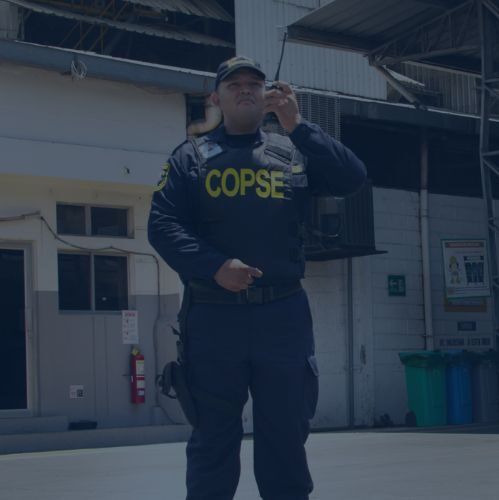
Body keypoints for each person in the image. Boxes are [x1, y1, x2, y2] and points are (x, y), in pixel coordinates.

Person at [148, 55, 367, 500]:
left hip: (282, 315)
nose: (245, 89)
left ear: (267, 93)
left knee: (285, 435)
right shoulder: (190, 157)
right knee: (212, 437)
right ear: (216, 98)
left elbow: (352, 178)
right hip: (213, 316)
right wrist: (214, 266)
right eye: (234, 85)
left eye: (254, 83)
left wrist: (298, 125)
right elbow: (163, 226)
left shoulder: (293, 151)